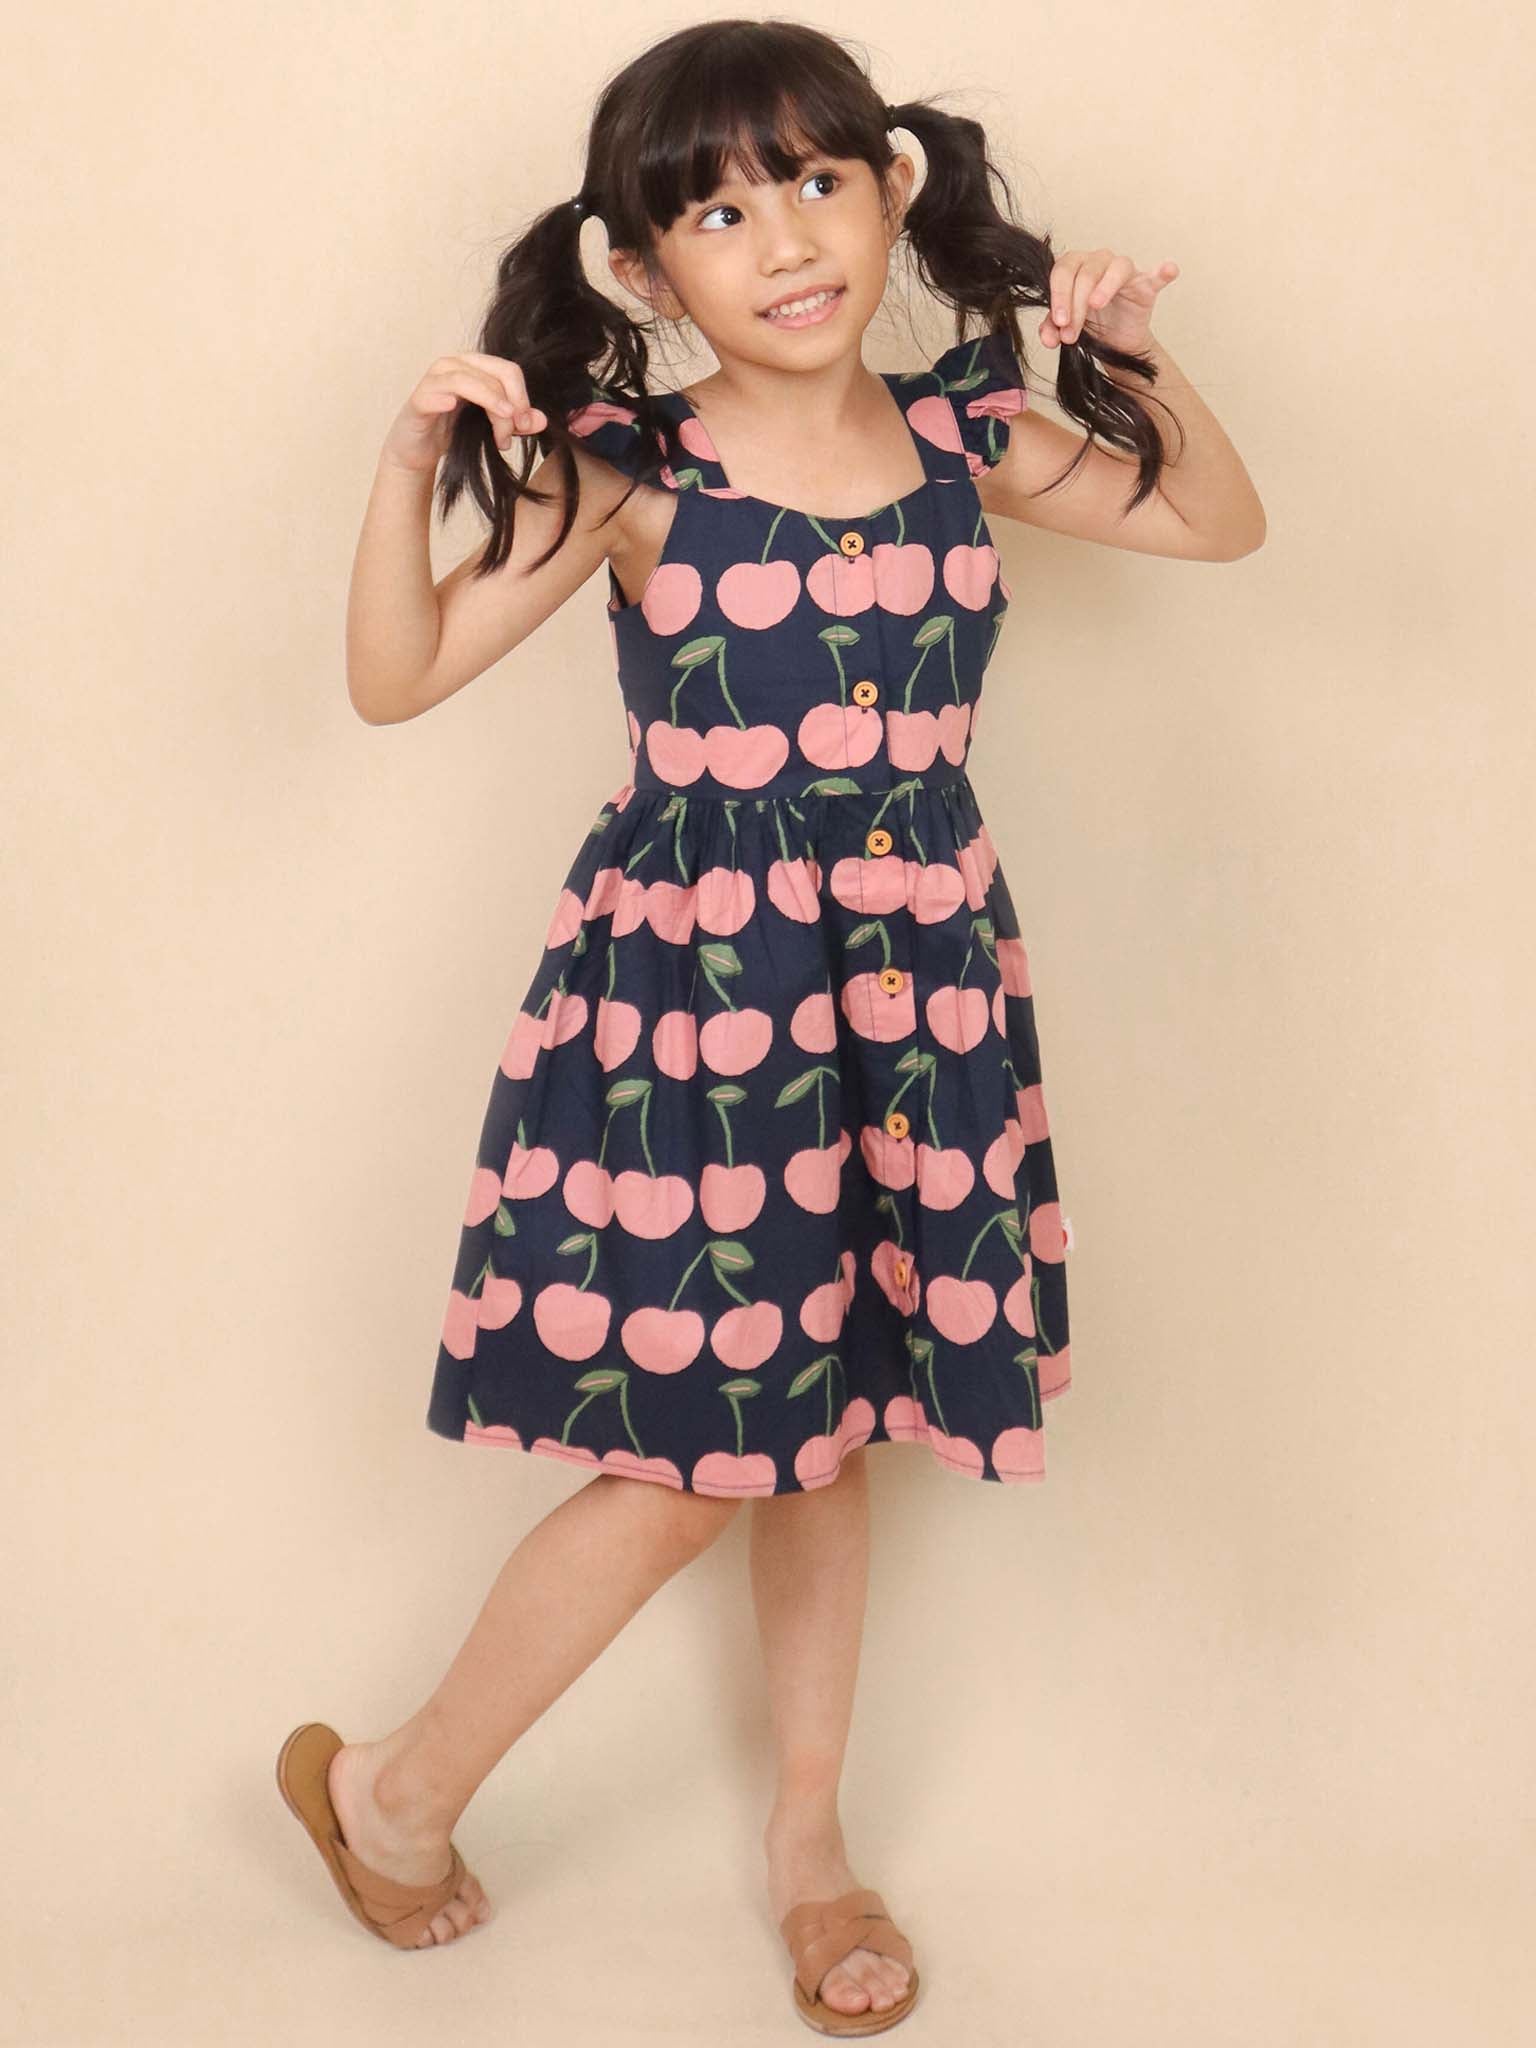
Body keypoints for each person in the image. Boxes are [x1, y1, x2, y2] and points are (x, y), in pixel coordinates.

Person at [277, 17, 1265, 2032]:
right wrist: (404, 470)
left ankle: (809, 1848)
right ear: (645, 277)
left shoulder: (975, 437)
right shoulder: (638, 473)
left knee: (833, 1435)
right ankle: (393, 1790)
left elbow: (1214, 522)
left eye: (819, 178)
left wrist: (1132, 364)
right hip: (695, 1013)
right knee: (712, 1443)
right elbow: (398, 675)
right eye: (716, 210)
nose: (784, 237)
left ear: (894, 190)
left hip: (912, 993)